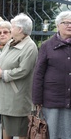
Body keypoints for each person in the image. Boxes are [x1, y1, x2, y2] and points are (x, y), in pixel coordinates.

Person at [0, 13, 38, 139]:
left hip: (17, 97)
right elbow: (2, 60)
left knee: (22, 131)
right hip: (5, 94)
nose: (10, 29)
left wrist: (3, 74)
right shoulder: (11, 42)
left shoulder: (30, 47)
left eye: (12, 27)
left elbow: (24, 70)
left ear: (20, 29)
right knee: (6, 127)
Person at [32, 11, 71, 139]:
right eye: (66, 22)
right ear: (58, 25)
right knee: (52, 134)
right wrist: (37, 100)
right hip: (52, 99)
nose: (69, 25)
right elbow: (38, 74)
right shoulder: (47, 46)